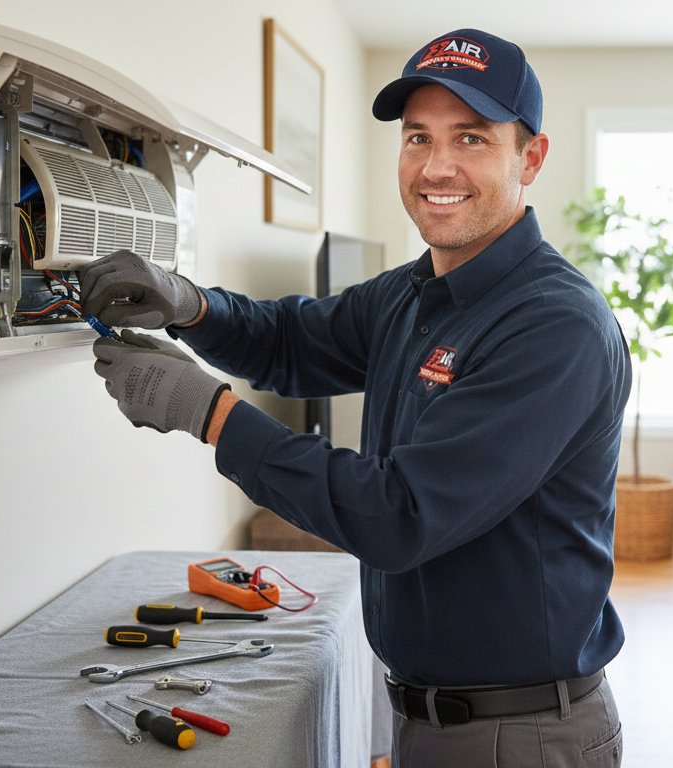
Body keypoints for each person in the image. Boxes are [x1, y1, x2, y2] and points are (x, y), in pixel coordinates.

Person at [80, 28, 628, 767]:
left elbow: (401, 514)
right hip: (434, 719)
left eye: (471, 138)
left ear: (530, 157)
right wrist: (188, 304)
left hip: (518, 733)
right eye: (418, 137)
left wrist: (207, 413)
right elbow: (288, 341)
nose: (437, 166)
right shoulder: (416, 292)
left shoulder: (553, 326)